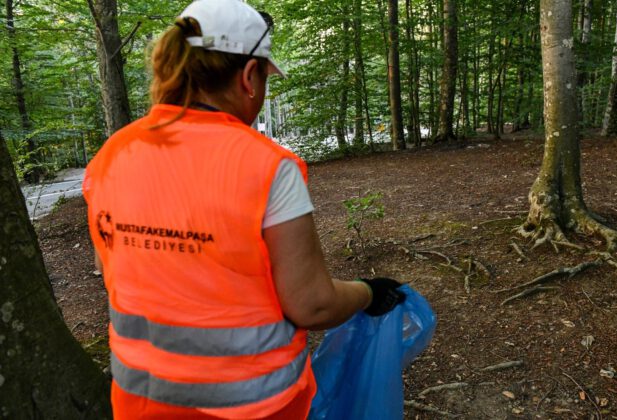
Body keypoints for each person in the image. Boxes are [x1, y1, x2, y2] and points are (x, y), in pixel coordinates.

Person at [82, 0, 405, 418]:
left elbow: (112, 264)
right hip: (256, 405)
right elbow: (312, 305)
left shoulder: (111, 155)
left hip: (141, 400)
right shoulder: (268, 167)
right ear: (250, 77)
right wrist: (367, 291)